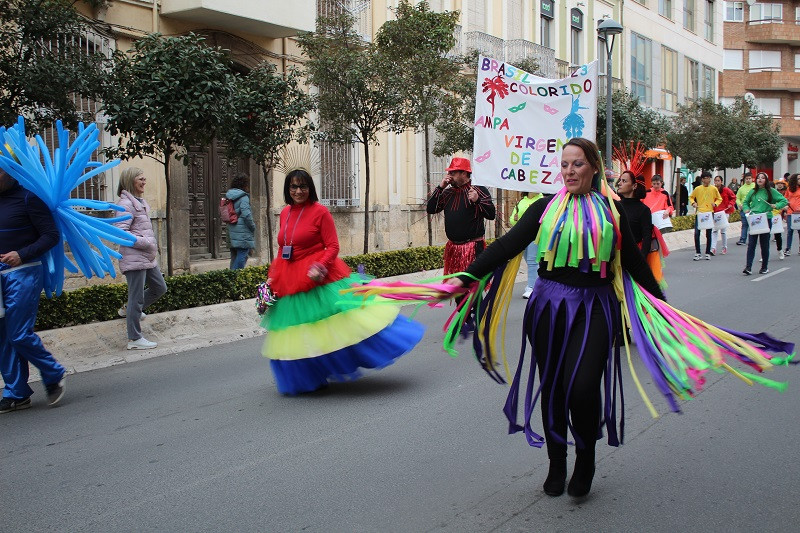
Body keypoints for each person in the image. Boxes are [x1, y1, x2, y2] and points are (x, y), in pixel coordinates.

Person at [446, 138, 665, 498]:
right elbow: (506, 246)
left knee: (582, 387)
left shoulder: (612, 211)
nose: (569, 171)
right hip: (548, 307)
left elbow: (633, 262)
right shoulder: (545, 209)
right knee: (555, 388)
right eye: (564, 164)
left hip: (594, 307)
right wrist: (467, 276)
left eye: (577, 164)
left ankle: (586, 458)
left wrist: (660, 301)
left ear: (593, 168)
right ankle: (556, 462)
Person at [261, 169, 424, 395]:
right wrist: (273, 276)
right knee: (297, 332)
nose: (298, 191)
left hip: (318, 276)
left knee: (335, 325)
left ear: (310, 188)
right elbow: (283, 247)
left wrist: (321, 265)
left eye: (303, 187)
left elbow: (333, 246)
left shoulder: (320, 212)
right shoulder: (285, 212)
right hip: (289, 278)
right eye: (293, 187)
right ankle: (309, 375)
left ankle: (338, 362)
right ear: (287, 190)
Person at [0, 168, 66, 413]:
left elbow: (51, 236)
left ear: (10, 172)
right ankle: (16, 393)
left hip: (23, 272)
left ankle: (53, 373)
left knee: (18, 333)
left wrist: (22, 254)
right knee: (2, 337)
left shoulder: (29, 198)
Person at [114, 167, 167, 350]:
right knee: (136, 298)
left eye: (145, 178)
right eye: (140, 179)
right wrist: (144, 242)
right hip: (135, 258)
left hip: (146, 257)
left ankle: (128, 309)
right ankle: (134, 339)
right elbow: (120, 233)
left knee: (159, 287)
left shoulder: (139, 202)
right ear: (130, 181)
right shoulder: (126, 204)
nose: (144, 181)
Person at [427, 157, 496, 276]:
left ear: (464, 173)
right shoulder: (448, 192)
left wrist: (477, 200)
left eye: (452, 172)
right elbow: (431, 209)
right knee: (458, 288)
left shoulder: (478, 189)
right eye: (449, 172)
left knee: (472, 287)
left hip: (473, 248)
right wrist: (440, 187)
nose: (449, 175)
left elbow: (491, 215)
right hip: (453, 248)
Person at [742, 172, 787, 275]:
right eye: (758, 178)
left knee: (764, 244)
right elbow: (745, 202)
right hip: (754, 219)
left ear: (766, 180)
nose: (760, 180)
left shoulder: (771, 191)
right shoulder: (753, 191)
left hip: (766, 219)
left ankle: (764, 267)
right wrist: (746, 209)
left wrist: (776, 205)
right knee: (751, 244)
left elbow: (784, 201)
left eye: (762, 178)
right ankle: (748, 267)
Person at [509, 191, 542, 299]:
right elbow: (512, 220)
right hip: (523, 236)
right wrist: (514, 219)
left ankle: (531, 287)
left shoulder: (541, 200)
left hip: (535, 235)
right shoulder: (522, 201)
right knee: (529, 261)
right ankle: (539, 282)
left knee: (532, 261)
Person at [225, 172, 256, 270]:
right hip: (242, 233)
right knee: (242, 254)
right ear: (244, 185)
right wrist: (252, 226)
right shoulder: (243, 197)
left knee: (234, 256)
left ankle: (229, 279)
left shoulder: (229, 196)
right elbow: (247, 214)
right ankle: (235, 279)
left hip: (231, 230)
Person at [616, 171, 653, 254]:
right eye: (620, 180)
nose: (619, 183)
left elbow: (647, 238)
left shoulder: (644, 210)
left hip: (633, 258)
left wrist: (642, 261)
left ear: (634, 186)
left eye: (624, 181)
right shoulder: (615, 206)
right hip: (615, 257)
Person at [689, 171, 722, 260]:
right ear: (702, 179)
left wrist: (715, 204)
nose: (708, 180)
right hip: (699, 213)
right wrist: (693, 203)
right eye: (706, 178)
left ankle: (707, 252)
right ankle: (698, 252)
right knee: (697, 233)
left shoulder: (713, 189)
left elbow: (719, 198)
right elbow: (691, 197)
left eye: (709, 178)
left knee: (709, 234)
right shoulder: (698, 189)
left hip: (709, 213)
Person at [710, 175, 736, 255]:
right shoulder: (712, 190)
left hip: (724, 212)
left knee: (723, 231)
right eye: (715, 180)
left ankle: (724, 247)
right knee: (714, 230)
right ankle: (713, 248)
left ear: (721, 182)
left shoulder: (726, 190)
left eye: (718, 180)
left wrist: (730, 204)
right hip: (715, 212)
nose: (717, 182)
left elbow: (733, 197)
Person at [736, 172, 755, 245]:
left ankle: (752, 240)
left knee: (752, 224)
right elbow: (737, 198)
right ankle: (743, 239)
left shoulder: (755, 187)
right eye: (746, 179)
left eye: (749, 178)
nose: (748, 180)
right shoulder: (741, 188)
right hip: (744, 209)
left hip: (753, 208)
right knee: (744, 224)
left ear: (752, 179)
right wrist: (739, 204)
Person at [784, 174, 800, 255]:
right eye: (798, 179)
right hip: (790, 213)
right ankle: (788, 248)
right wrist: (786, 205)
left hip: (799, 213)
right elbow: (785, 199)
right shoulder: (789, 189)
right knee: (790, 231)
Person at [773, 179, 789, 259]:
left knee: (777, 234)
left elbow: (785, 201)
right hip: (768, 215)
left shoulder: (785, 191)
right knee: (764, 236)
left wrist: (783, 208)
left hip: (777, 215)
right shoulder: (773, 192)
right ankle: (764, 254)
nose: (779, 185)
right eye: (778, 183)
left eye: (781, 183)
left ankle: (780, 250)